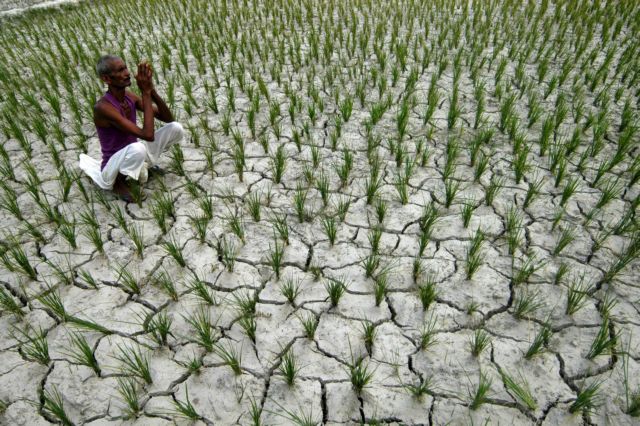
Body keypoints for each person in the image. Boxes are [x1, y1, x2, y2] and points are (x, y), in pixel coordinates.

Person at [78, 55, 183, 201]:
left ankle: (141, 167)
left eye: (126, 68)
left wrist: (151, 91)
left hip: (133, 153)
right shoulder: (103, 107)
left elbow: (167, 118)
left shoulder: (129, 96)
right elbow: (147, 135)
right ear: (106, 79)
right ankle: (118, 183)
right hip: (112, 167)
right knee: (137, 148)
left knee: (176, 128)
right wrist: (145, 93)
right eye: (120, 70)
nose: (127, 73)